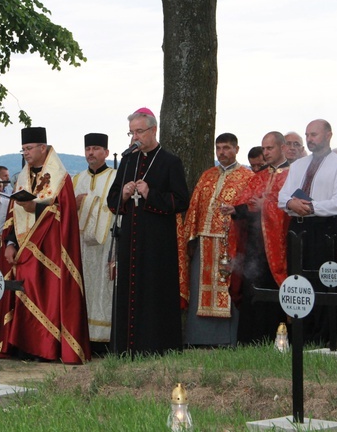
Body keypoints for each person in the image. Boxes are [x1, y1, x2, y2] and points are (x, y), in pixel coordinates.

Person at [0, 126, 91, 364]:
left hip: (51, 253)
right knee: (19, 291)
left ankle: (48, 348)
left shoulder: (61, 179)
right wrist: (10, 243)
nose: (26, 154)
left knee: (47, 296)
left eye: (29, 148)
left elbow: (66, 214)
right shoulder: (22, 178)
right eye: (23, 150)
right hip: (22, 250)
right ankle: (21, 346)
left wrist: (38, 207)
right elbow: (12, 215)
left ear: (44, 148)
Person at [107, 108, 190, 355]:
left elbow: (181, 201)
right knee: (129, 291)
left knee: (154, 292)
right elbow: (112, 201)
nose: (135, 137)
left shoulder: (169, 161)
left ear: (153, 130)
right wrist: (123, 194)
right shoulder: (129, 161)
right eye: (131, 132)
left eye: (139, 131)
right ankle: (126, 348)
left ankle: (155, 347)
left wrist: (149, 194)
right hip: (130, 239)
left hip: (157, 243)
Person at [278, 119, 337, 345]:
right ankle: (300, 334)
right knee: (297, 279)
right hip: (298, 228)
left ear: (328, 135)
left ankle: (321, 337)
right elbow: (282, 196)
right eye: (307, 135)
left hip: (323, 228)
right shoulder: (298, 165)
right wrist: (291, 203)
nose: (310, 139)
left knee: (321, 281)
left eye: (314, 135)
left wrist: (311, 207)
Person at [180, 133, 254, 348]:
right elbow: (194, 207)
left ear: (237, 149)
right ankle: (198, 339)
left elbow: (249, 209)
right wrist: (190, 237)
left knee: (229, 288)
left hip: (230, 242)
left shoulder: (247, 177)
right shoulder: (207, 176)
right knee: (199, 288)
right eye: (219, 148)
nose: (222, 152)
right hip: (204, 243)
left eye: (227, 148)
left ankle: (227, 340)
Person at [222, 132, 290, 345]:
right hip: (254, 247)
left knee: (272, 296)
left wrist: (266, 207)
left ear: (282, 148)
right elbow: (247, 204)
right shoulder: (259, 177)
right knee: (252, 292)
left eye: (270, 148)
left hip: (277, 248)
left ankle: (276, 341)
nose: (266, 152)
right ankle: (249, 342)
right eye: (264, 148)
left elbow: (291, 209)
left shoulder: (291, 175)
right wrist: (235, 209)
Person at [73, 133, 117, 353]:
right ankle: (83, 339)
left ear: (106, 153)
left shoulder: (116, 177)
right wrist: (74, 203)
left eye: (96, 148)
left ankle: (106, 341)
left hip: (107, 245)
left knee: (104, 290)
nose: (91, 153)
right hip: (81, 246)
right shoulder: (76, 179)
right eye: (88, 148)